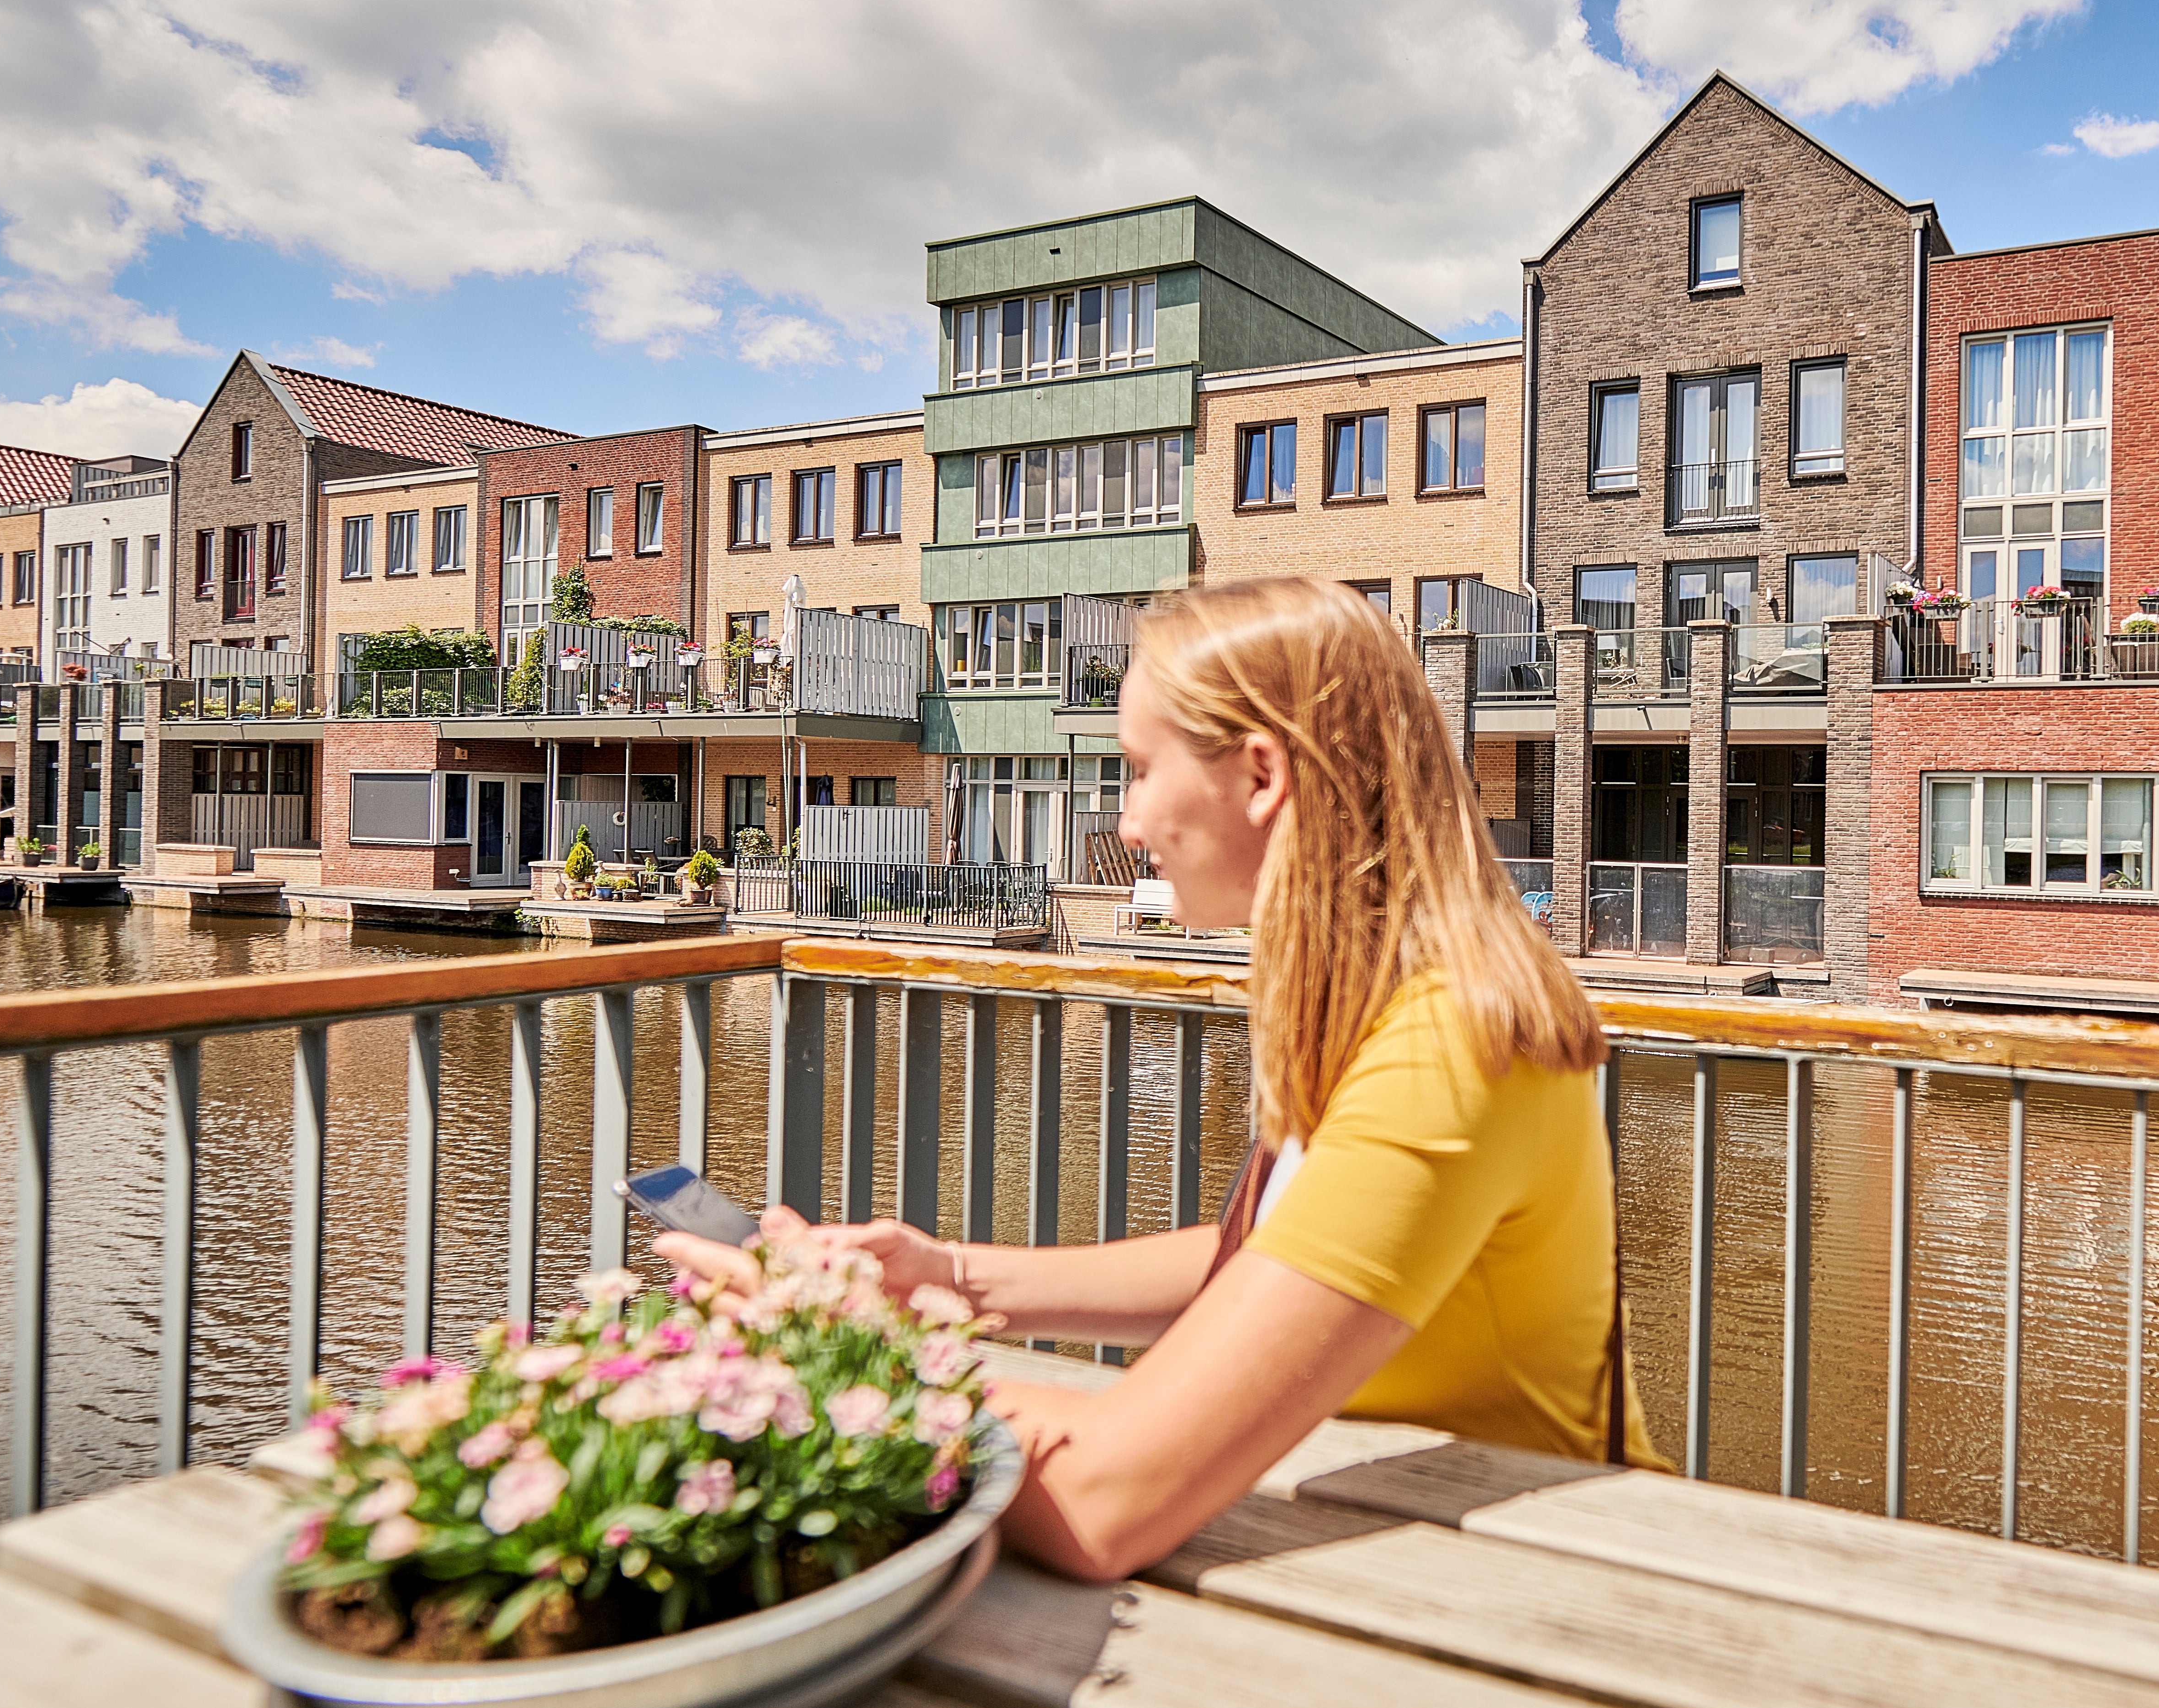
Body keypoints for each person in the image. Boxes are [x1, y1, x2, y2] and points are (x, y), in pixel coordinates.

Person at [665, 576, 1641, 1581]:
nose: (1126, 822)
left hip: (1519, 1592)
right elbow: (1273, 1261)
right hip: (1422, 1546)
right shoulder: (1400, 998)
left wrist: (824, 1353)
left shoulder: (1445, 1048)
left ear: (1262, 775)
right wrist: (943, 1278)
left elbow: (1104, 1498)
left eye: (1137, 770)